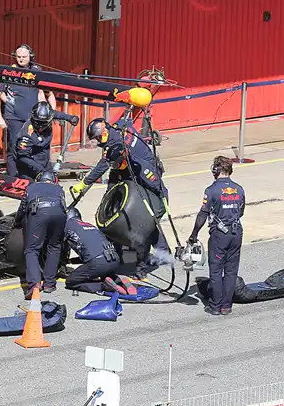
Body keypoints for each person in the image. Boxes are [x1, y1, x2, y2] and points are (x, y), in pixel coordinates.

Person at [72, 118, 169, 277]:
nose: (97, 142)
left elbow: (158, 188)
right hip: (131, 171)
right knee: (129, 217)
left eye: (97, 138)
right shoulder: (118, 131)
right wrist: (109, 200)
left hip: (147, 179)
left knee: (140, 227)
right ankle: (159, 252)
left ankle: (141, 266)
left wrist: (84, 183)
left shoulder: (135, 164)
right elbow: (127, 120)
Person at [188, 156, 245, 316]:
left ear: (216, 170)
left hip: (220, 235)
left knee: (216, 270)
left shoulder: (211, 190)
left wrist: (193, 235)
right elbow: (241, 212)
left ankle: (215, 306)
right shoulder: (239, 189)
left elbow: (202, 215)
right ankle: (226, 306)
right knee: (231, 271)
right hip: (236, 233)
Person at [0, 45, 55, 176]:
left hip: (33, 118)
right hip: (14, 118)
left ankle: (34, 174)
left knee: (36, 147)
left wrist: (51, 113)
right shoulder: (10, 71)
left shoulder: (37, 71)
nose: (21, 59)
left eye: (24, 57)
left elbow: (47, 93)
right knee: (14, 148)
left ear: (31, 56)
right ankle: (13, 177)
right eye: (18, 57)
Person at [15, 170, 67, 295]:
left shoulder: (31, 187)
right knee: (54, 247)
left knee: (32, 249)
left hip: (39, 212)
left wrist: (17, 222)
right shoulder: (59, 189)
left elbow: (23, 207)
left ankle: (34, 285)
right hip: (59, 215)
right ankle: (49, 284)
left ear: (38, 179)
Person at [62, 208, 124, 295]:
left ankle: (104, 286)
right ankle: (118, 281)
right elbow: (90, 253)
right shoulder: (90, 226)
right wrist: (70, 261)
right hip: (114, 258)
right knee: (102, 272)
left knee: (71, 281)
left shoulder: (67, 226)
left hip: (98, 262)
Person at [12, 101, 79, 179]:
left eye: (43, 122)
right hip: (30, 166)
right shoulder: (26, 134)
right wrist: (40, 169)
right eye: (38, 122)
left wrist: (70, 118)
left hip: (45, 161)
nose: (40, 125)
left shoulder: (49, 116)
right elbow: (23, 156)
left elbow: (55, 113)